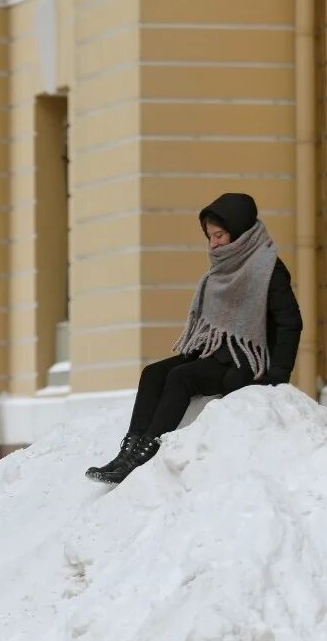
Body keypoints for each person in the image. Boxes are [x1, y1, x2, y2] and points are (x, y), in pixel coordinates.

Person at [86, 192, 303, 485]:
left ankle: (144, 453)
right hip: (217, 351)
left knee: (180, 377)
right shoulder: (226, 265)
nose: (213, 243)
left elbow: (290, 321)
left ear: (239, 232)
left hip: (245, 361)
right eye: (210, 236)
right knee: (153, 373)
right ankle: (127, 449)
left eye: (220, 235)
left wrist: (278, 374)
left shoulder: (267, 269)